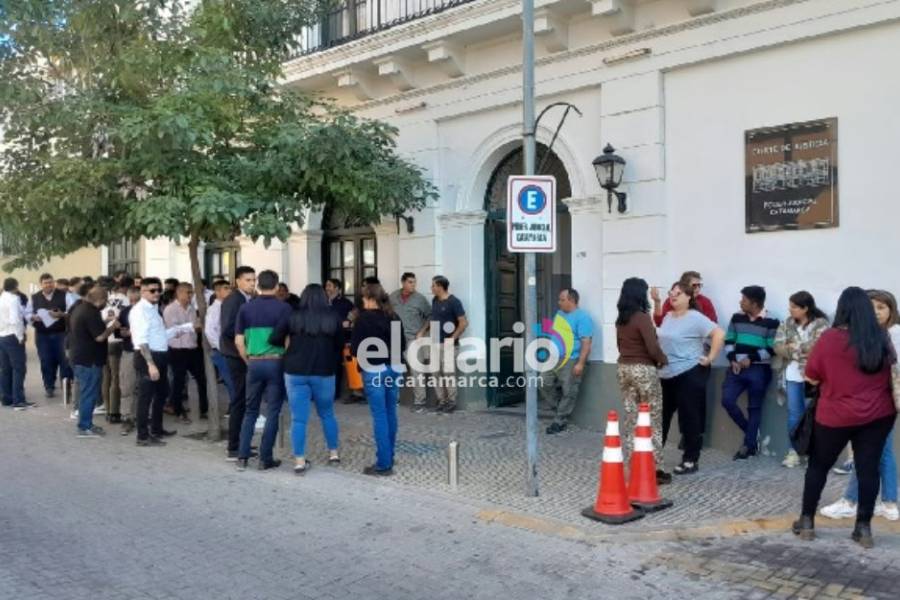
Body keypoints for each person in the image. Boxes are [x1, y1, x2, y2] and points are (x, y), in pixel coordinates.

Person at [793, 287, 897, 548]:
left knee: (818, 466)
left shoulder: (830, 338)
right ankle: (863, 528)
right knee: (868, 470)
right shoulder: (881, 337)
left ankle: (806, 521)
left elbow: (811, 376)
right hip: (877, 415)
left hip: (835, 415)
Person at [820, 289, 900, 523]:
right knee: (880, 452)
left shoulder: (892, 334)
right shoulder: (871, 334)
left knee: (869, 451)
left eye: (881, 307)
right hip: (873, 402)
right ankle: (889, 502)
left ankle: (852, 501)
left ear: (892, 311)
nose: (875, 312)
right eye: (871, 307)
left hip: (881, 402)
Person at [271, 284, 343, 475]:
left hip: (295, 371)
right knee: (327, 414)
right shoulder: (333, 316)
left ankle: (299, 461)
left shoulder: (292, 315)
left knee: (299, 418)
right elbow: (340, 344)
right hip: (324, 371)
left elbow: (274, 338)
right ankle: (333, 453)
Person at [658, 281, 726, 475]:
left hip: (689, 372)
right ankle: (653, 455)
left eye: (678, 293)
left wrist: (710, 357)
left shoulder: (695, 318)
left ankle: (690, 459)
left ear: (688, 297)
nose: (673, 296)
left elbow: (719, 333)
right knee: (661, 416)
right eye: (671, 292)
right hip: (666, 373)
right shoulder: (668, 316)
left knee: (689, 417)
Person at [234, 270, 292, 471]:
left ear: (258, 285)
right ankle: (265, 458)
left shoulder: (245, 308)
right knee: (273, 411)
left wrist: (248, 360)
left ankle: (242, 456)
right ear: (276, 286)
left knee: (250, 410)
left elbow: (239, 341)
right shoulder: (285, 308)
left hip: (254, 363)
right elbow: (288, 340)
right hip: (276, 362)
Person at [615, 278, 669, 483]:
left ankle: (633, 464)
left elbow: (619, 346)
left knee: (631, 418)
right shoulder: (642, 318)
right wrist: (662, 360)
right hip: (643, 370)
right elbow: (652, 347)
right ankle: (655, 469)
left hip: (623, 368)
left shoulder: (621, 319)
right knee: (652, 418)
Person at [721, 286, 781, 460]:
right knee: (727, 400)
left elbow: (772, 348)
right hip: (736, 368)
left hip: (759, 369)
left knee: (754, 407)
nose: (740, 302)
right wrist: (732, 359)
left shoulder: (772, 321)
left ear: (754, 303)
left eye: (744, 299)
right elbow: (729, 340)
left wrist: (752, 359)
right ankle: (751, 434)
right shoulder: (736, 317)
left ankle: (748, 446)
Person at [352, 284, 405, 476]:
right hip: (394, 368)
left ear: (369, 298)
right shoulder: (393, 316)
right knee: (390, 412)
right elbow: (402, 345)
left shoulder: (362, 319)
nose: (362, 300)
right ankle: (389, 456)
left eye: (363, 297)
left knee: (380, 415)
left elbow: (355, 349)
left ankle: (384, 464)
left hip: (374, 370)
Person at [773, 291, 829, 468]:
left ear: (805, 308)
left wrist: (792, 347)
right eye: (790, 306)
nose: (790, 309)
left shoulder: (821, 324)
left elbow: (818, 348)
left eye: (794, 307)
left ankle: (814, 453)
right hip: (792, 375)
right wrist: (800, 350)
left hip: (814, 376)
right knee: (794, 415)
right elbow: (777, 346)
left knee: (814, 415)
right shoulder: (787, 323)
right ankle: (794, 452)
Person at [130, 277, 183, 446]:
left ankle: (156, 428)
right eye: (152, 290)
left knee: (162, 393)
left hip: (160, 355)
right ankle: (142, 436)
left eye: (159, 290)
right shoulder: (140, 311)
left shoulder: (153, 309)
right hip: (148, 357)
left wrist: (176, 331)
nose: (157, 293)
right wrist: (150, 364)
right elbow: (141, 340)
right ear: (142, 291)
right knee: (145, 398)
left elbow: (158, 334)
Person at [539, 288, 593, 434]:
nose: (559, 302)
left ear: (572, 300)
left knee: (569, 390)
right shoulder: (559, 314)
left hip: (571, 359)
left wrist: (580, 363)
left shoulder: (583, 318)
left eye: (562, 300)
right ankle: (559, 409)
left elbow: (586, 342)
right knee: (543, 382)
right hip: (553, 357)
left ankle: (560, 420)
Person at [68, 287, 119, 437]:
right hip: (89, 360)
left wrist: (105, 321)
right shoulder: (91, 312)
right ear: (100, 300)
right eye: (105, 301)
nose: (106, 304)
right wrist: (112, 327)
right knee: (89, 394)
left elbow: (89, 328)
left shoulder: (80, 308)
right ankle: (84, 427)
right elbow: (100, 337)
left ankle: (86, 424)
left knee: (87, 392)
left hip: (80, 357)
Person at [220, 266, 257, 461]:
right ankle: (233, 447)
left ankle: (241, 442)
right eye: (248, 280)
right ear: (238, 281)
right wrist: (246, 339)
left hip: (242, 354)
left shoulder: (247, 299)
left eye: (254, 280)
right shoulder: (234, 300)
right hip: (235, 355)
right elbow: (227, 329)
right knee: (239, 400)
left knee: (244, 400)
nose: (252, 283)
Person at [418, 275, 468, 414]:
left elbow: (463, 323)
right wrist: (422, 331)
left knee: (448, 374)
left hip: (448, 345)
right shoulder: (435, 300)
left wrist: (451, 339)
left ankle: (451, 402)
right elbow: (432, 318)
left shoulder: (454, 302)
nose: (431, 288)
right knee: (435, 373)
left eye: (433, 285)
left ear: (440, 287)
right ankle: (442, 401)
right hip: (434, 342)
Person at [164, 282, 208, 422]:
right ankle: (178, 410)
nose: (190, 295)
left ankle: (204, 409)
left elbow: (194, 328)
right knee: (179, 381)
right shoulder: (170, 309)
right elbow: (173, 330)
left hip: (192, 348)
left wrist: (195, 328)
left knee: (202, 379)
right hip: (177, 350)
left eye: (191, 292)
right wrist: (191, 327)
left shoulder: (191, 309)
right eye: (188, 292)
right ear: (179, 293)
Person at [389, 272, 432, 413]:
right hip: (396, 338)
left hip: (413, 339)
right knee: (395, 370)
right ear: (403, 282)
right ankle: (394, 399)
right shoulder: (393, 297)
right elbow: (387, 313)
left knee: (416, 371)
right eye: (410, 282)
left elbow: (430, 316)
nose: (413, 285)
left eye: (414, 282)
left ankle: (420, 402)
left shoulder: (420, 299)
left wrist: (422, 332)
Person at [28, 273, 71, 398]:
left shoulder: (64, 295)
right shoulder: (34, 297)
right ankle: (49, 386)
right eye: (46, 283)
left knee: (64, 360)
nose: (48, 285)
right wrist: (33, 317)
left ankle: (66, 387)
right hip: (42, 335)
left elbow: (72, 311)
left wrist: (61, 314)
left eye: (51, 282)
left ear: (54, 283)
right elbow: (27, 313)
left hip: (60, 333)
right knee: (46, 361)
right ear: (41, 284)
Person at [101, 275, 131, 423]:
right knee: (116, 377)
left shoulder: (104, 300)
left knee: (106, 376)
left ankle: (107, 409)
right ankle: (115, 412)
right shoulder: (125, 300)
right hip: (118, 341)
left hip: (104, 339)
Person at [115, 286, 141, 436]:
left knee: (144, 386)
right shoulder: (125, 311)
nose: (133, 303)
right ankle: (126, 417)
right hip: (129, 351)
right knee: (126, 386)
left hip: (145, 352)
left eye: (137, 300)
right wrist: (122, 332)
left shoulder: (150, 311)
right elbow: (118, 331)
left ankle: (143, 416)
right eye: (131, 300)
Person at [326, 278, 356, 401]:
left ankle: (335, 393)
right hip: (324, 338)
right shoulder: (323, 302)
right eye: (326, 286)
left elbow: (354, 315)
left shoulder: (345, 303)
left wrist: (348, 321)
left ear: (337, 289)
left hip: (338, 338)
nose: (327, 288)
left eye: (330, 286)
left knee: (336, 366)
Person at [0, 278, 28, 410]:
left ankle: (6, 398)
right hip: (13, 336)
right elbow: (15, 320)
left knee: (5, 369)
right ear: (16, 287)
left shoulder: (1, 298)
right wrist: (20, 336)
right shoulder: (13, 299)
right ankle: (19, 400)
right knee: (19, 368)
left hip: (2, 336)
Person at [652, 270, 718, 326]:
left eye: (699, 285)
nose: (698, 289)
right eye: (694, 286)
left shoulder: (705, 301)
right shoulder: (672, 300)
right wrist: (657, 302)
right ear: (684, 286)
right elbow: (659, 323)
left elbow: (713, 324)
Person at [204, 279, 234, 399]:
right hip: (222, 350)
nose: (229, 291)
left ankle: (236, 405)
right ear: (217, 291)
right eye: (226, 288)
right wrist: (222, 347)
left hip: (228, 349)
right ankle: (235, 406)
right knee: (230, 380)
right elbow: (210, 331)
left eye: (230, 288)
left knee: (234, 380)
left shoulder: (227, 306)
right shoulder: (214, 309)